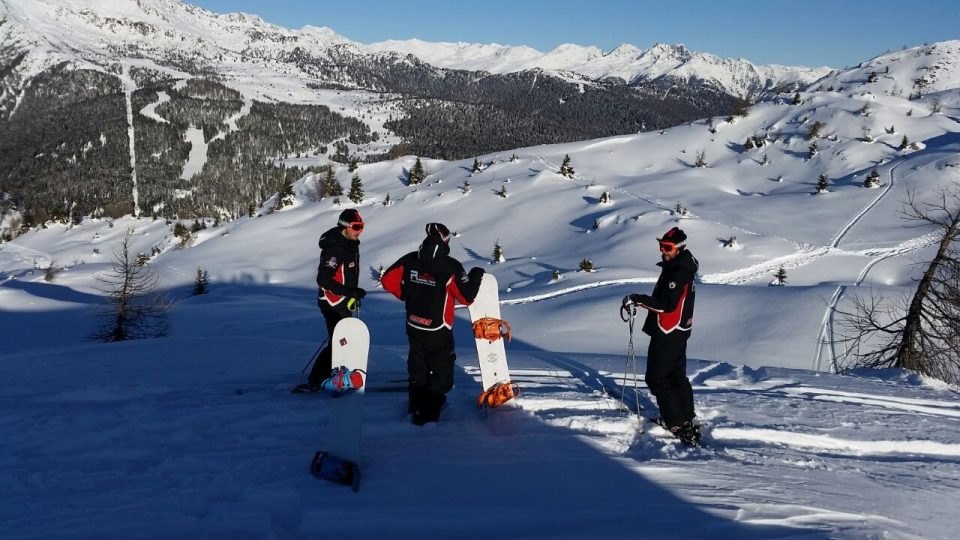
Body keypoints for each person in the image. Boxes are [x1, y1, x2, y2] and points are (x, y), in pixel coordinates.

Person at [381, 223, 485, 425]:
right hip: (438, 328)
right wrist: (476, 275)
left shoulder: (411, 259)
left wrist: (406, 294)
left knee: (417, 367)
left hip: (414, 323)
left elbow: (387, 280)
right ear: (445, 240)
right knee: (441, 371)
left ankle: (416, 405)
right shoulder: (450, 266)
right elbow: (467, 297)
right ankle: (427, 416)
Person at [623, 226, 700, 444]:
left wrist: (638, 299)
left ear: (679, 248)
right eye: (661, 246)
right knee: (676, 376)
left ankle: (675, 422)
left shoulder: (678, 272)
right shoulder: (680, 266)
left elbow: (666, 305)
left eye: (667, 247)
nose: (662, 251)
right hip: (678, 330)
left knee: (657, 378)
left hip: (668, 330)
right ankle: (686, 418)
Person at [296, 209, 367, 392]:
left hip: (342, 300)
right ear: (345, 226)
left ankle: (336, 375)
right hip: (332, 303)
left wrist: (351, 294)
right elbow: (324, 279)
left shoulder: (349, 244)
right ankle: (316, 380)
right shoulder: (335, 249)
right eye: (356, 227)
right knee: (339, 342)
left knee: (342, 340)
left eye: (362, 226)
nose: (359, 231)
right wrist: (350, 292)